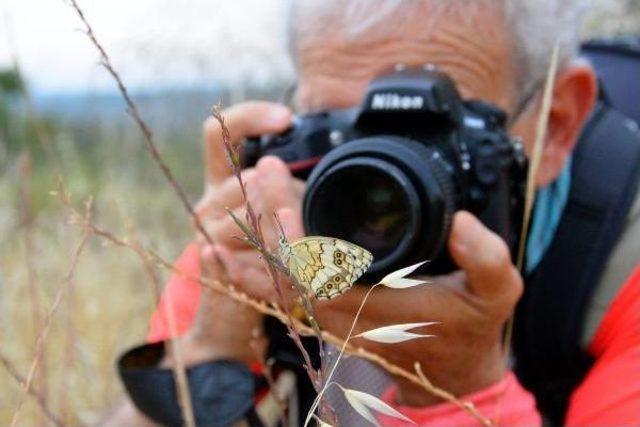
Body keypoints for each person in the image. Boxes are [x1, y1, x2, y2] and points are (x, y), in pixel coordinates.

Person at [102, 1, 640, 426]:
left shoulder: (624, 267)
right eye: (345, 129)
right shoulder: (277, 210)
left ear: (556, 124)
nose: (374, 182)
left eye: (433, 135)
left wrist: (462, 387)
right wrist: (210, 347)